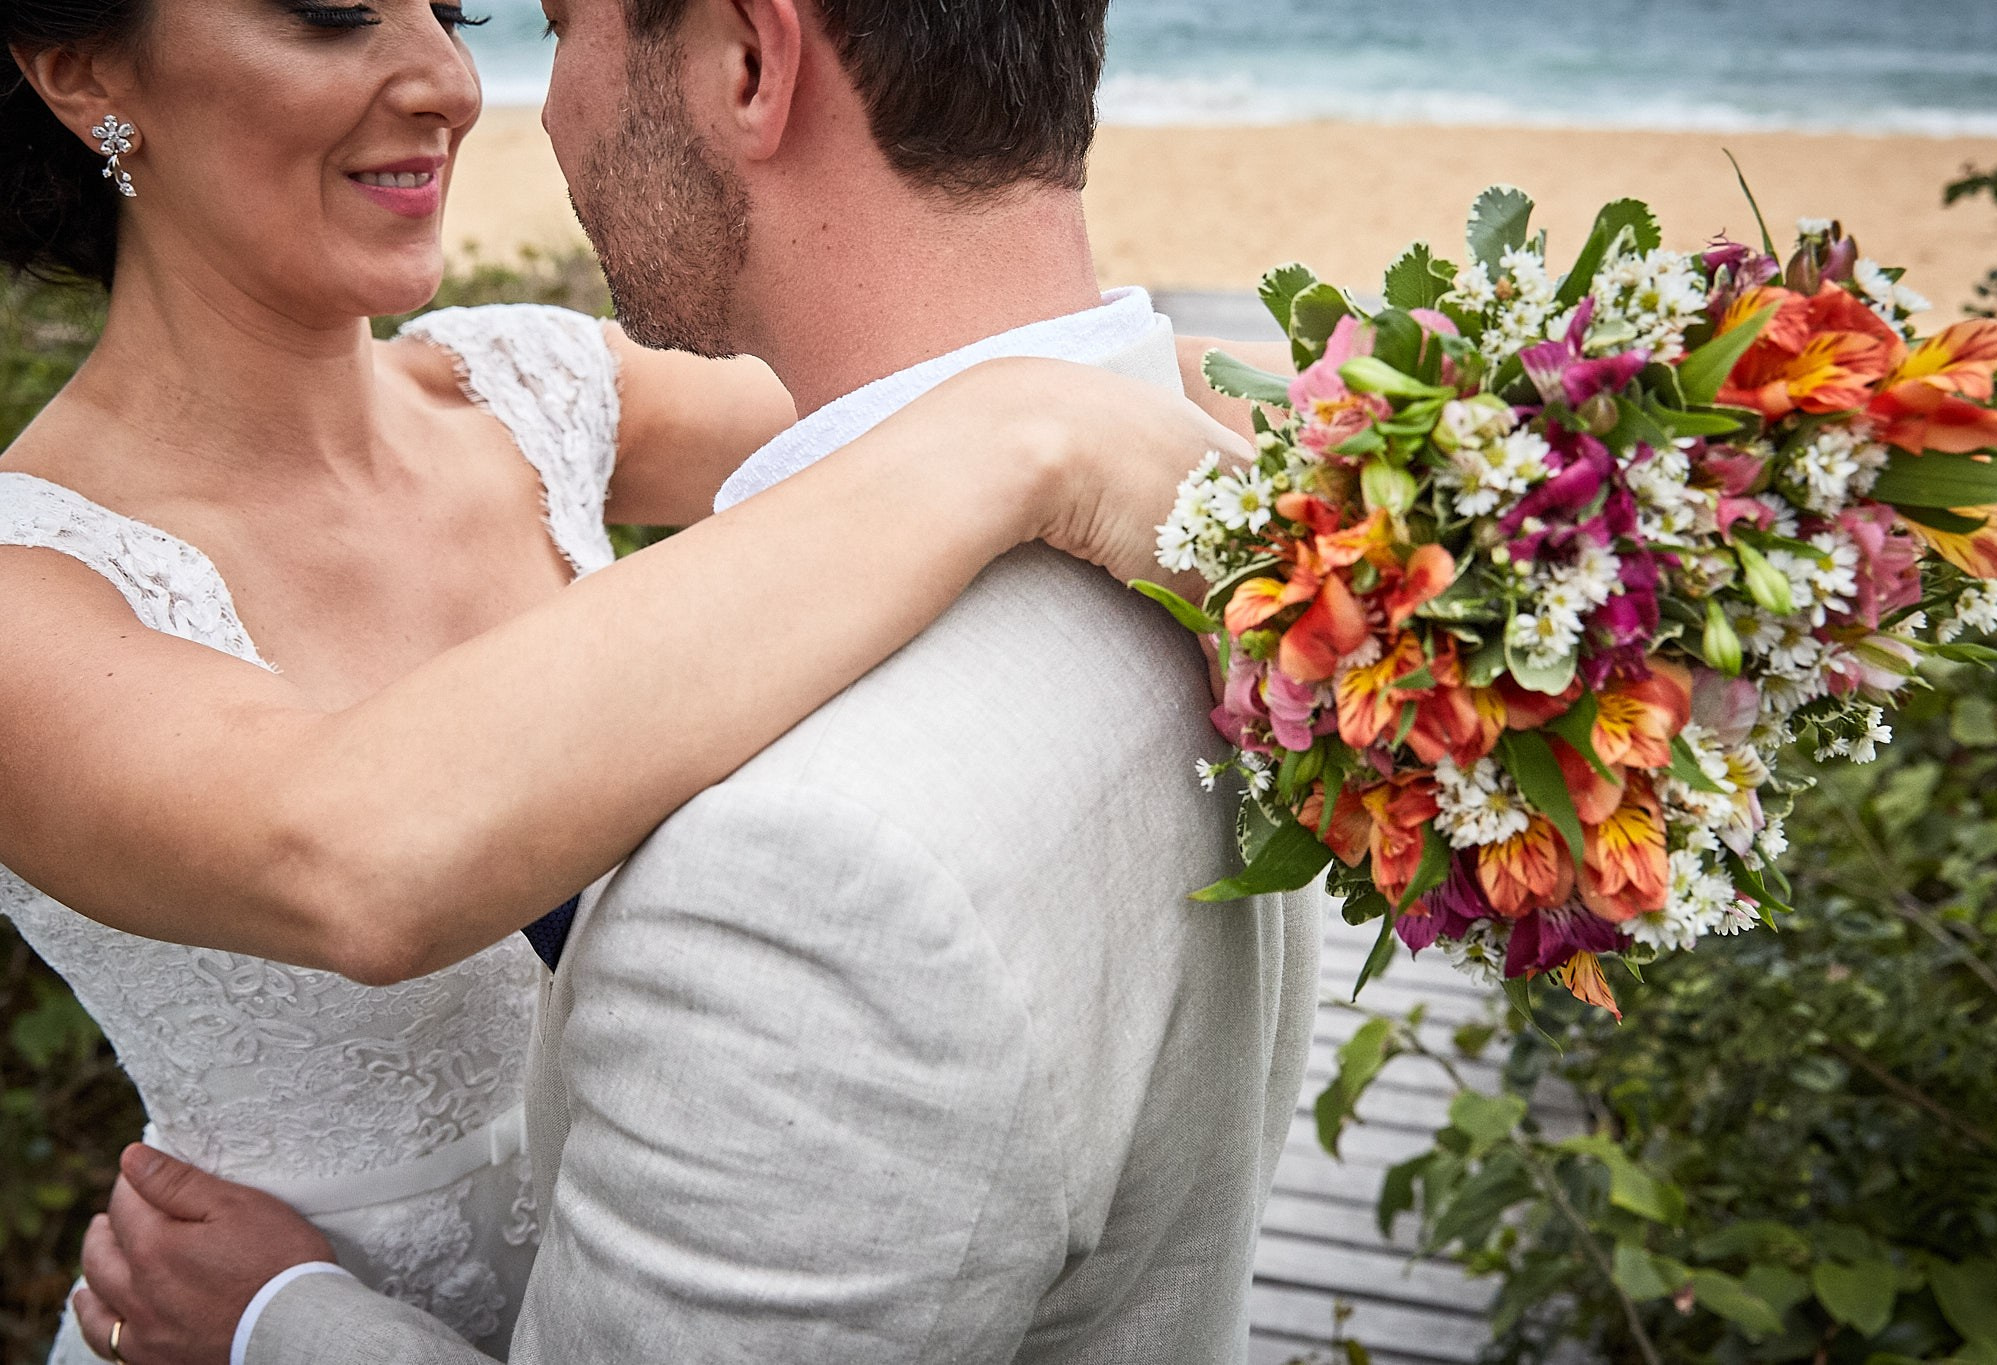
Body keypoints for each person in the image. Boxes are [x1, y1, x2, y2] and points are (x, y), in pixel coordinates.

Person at [0, 0, 1259, 1359]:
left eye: (452, 9)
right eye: (334, 16)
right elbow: (348, 855)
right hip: (216, 1319)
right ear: (83, 73)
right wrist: (1029, 438)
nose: (450, 80)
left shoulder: (528, 391)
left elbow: (932, 399)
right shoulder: (29, 599)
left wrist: (1460, 457)